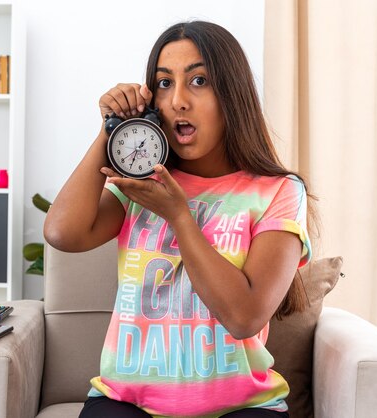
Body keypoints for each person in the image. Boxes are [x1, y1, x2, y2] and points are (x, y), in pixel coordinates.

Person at [44, 20, 314, 418]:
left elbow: (244, 317)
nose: (178, 101)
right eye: (164, 83)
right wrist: (111, 130)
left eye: (199, 80)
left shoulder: (279, 191)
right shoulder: (141, 181)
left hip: (242, 408)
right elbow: (62, 232)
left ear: (232, 94)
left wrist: (179, 217)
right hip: (126, 402)